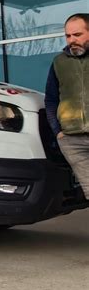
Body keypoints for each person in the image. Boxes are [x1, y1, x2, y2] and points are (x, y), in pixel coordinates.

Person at [45, 13, 89, 199]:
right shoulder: (59, 62)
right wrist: (58, 132)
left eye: (77, 35)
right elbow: (51, 99)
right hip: (72, 140)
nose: (72, 40)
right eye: (68, 36)